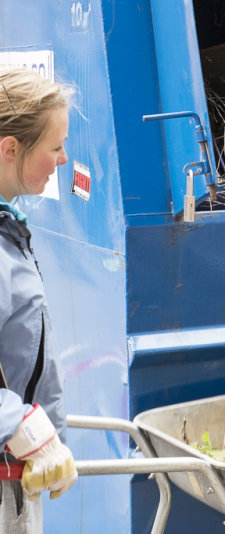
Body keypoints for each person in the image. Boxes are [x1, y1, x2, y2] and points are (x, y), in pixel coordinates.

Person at [0, 66, 78, 531]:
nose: (63, 160)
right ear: (10, 148)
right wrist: (22, 424)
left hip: (17, 481)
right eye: (55, 147)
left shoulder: (9, 230)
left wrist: (52, 439)